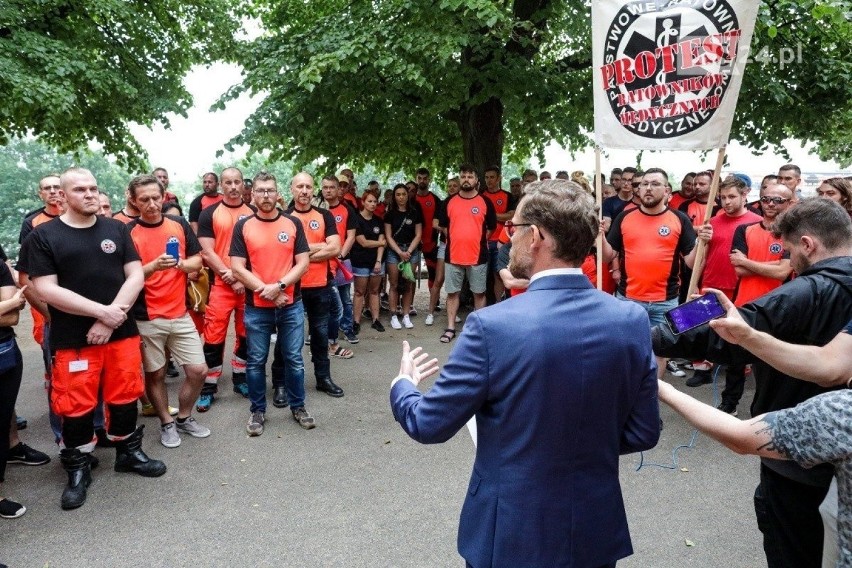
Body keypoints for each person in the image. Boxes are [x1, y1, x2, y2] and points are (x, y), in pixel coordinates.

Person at [390, 179, 660, 567]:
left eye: (512, 228)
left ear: (535, 236)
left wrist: (403, 386)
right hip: (592, 527)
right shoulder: (630, 318)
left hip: (512, 531)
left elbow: (428, 424)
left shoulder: (490, 326)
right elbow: (642, 431)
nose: (505, 237)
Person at [652, 198, 852, 568]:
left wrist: (652, 329)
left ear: (808, 245)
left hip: (796, 457)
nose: (790, 262)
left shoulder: (807, 289)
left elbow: (731, 323)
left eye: (790, 251)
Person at [18, 167, 166, 510]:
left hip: (121, 333)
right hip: (74, 338)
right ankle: (78, 469)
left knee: (126, 394)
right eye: (79, 189)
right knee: (76, 404)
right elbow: (46, 289)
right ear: (63, 195)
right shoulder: (43, 236)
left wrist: (113, 316)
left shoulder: (117, 229)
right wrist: (102, 313)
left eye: (93, 188)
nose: (88, 194)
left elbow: (135, 276)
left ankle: (128, 453)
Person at [126, 175, 212, 448]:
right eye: (144, 199)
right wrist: (153, 266)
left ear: (164, 197)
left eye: (156, 198)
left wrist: (181, 265)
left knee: (198, 370)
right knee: (157, 375)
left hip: (180, 312)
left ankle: (184, 418)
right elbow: (122, 275)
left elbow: (198, 259)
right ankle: (166, 422)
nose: (152, 204)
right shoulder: (126, 232)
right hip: (146, 316)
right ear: (133, 200)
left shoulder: (178, 224)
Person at [229, 172, 313, 436]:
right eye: (260, 191)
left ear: (278, 195)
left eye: (270, 191)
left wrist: (280, 287)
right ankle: (257, 411)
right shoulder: (243, 226)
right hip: (256, 306)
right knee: (255, 361)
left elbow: (303, 262)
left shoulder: (292, 224)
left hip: (291, 304)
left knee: (294, 360)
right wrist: (268, 291)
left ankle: (298, 406)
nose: (266, 196)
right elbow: (236, 267)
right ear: (252, 194)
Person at [601, 167, 704, 380]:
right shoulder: (624, 217)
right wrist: (599, 236)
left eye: (655, 184)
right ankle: (629, 397)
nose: (648, 188)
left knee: (660, 354)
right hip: (629, 300)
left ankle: (651, 399)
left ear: (667, 190)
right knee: (627, 351)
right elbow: (608, 255)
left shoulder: (680, 219)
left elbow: (692, 263)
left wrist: (703, 243)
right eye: (645, 184)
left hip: (666, 301)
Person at [685, 177, 761, 388]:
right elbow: (693, 264)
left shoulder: (755, 222)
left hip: (739, 287)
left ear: (745, 195)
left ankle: (736, 376)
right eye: (723, 197)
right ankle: (701, 369)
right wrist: (701, 240)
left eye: (732, 197)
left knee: (735, 333)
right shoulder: (712, 223)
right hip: (710, 283)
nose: (726, 202)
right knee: (699, 329)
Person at [195, 167, 255, 411]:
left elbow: (257, 250)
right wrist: (231, 275)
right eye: (228, 182)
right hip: (221, 285)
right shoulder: (209, 213)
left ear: (243, 185)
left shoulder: (253, 213)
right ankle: (209, 387)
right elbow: (207, 252)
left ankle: (240, 379)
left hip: (248, 285)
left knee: (246, 334)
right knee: (213, 337)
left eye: (237, 182)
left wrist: (243, 277)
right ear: (221, 185)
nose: (232, 186)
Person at [287, 172, 345, 398]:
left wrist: (301, 252)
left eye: (308, 187)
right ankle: (283, 383)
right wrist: (318, 247)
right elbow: (284, 253)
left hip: (321, 285)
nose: (304, 191)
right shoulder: (284, 217)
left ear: (314, 190)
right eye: (299, 186)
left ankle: (323, 378)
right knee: (290, 337)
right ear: (292, 189)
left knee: (321, 335)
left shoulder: (324, 215)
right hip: (292, 286)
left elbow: (335, 248)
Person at [435, 164, 496, 343]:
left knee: (479, 293)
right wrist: (456, 238)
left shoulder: (485, 202)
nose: (466, 179)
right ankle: (451, 327)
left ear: (477, 180)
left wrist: (476, 240)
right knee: (452, 293)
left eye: (470, 176)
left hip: (478, 256)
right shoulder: (449, 202)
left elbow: (491, 228)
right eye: (463, 176)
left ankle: (478, 330)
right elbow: (443, 226)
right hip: (453, 256)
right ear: (459, 179)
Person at [0, 272, 29, 519]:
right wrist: (8, 303)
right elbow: (11, 307)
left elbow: (11, 318)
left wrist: (8, 309)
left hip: (5, 353)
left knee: (1, 424)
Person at [321, 175, 358, 351]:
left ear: (338, 189)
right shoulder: (315, 210)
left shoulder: (347, 210)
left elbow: (351, 236)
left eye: (332, 187)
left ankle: (347, 329)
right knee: (320, 301)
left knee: (344, 299)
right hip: (320, 263)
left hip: (342, 261)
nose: (328, 190)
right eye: (325, 187)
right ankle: (317, 333)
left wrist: (341, 255)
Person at [384, 183, 423, 330]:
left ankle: (406, 315)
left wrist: (409, 252)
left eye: (404, 194)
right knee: (393, 284)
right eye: (398, 194)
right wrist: (400, 252)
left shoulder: (414, 213)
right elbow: (388, 236)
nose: (401, 197)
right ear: (394, 197)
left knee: (408, 284)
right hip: (394, 251)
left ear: (408, 196)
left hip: (411, 251)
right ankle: (394, 315)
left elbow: (418, 234)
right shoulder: (390, 214)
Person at [350, 191, 386, 333]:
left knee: (375, 290)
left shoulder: (379, 221)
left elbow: (382, 244)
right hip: (360, 261)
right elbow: (363, 242)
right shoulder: (356, 219)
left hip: (376, 261)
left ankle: (376, 319)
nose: (372, 204)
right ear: (363, 202)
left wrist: (378, 261)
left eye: (374, 202)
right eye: (369, 201)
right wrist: (379, 243)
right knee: (359, 291)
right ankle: (356, 321)